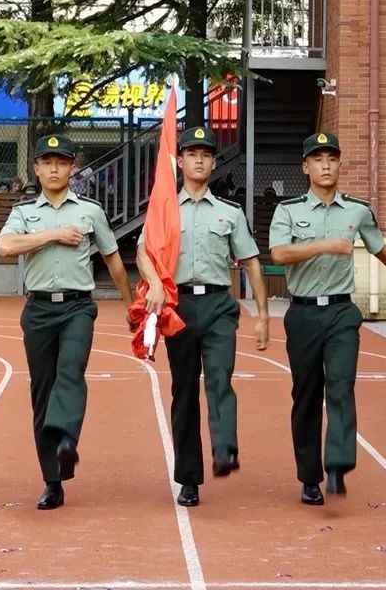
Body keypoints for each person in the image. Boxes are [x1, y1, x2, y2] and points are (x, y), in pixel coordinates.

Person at [269, 132, 386, 506]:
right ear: (305, 167)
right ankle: (310, 477)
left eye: (332, 159)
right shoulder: (288, 210)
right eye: (318, 159)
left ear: (340, 165)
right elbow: (278, 254)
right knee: (306, 396)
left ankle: (338, 461)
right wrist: (325, 245)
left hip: (341, 312)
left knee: (340, 386)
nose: (326, 165)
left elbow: (381, 249)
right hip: (303, 313)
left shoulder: (357, 210)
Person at [135, 127, 270, 508]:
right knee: (183, 392)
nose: (198, 159)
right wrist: (154, 284)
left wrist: (262, 314)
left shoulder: (230, 213)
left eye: (205, 154)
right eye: (191, 153)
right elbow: (143, 251)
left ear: (213, 163)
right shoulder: (164, 209)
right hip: (177, 307)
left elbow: (251, 262)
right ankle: (189, 479)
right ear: (180, 161)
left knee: (219, 376)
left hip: (218, 306)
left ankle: (224, 444)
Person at [0, 134, 134, 510]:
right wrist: (54, 234)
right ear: (37, 168)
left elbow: (113, 260)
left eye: (62, 162)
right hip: (39, 310)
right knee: (42, 393)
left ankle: (67, 437)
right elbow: (6, 246)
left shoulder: (90, 211)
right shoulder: (25, 213)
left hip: (77, 308)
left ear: (73, 168)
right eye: (47, 162)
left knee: (70, 371)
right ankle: (52, 481)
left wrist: (131, 306)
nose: (54, 168)